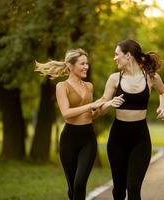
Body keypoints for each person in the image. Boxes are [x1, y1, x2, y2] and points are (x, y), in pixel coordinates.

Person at [100, 39, 164, 200]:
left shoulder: (151, 77)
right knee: (119, 191)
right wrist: (109, 103)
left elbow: (163, 92)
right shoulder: (114, 79)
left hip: (140, 140)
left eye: (117, 54)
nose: (114, 58)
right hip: (117, 139)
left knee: (133, 189)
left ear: (128, 55)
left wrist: (162, 107)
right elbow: (101, 107)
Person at [35, 48, 104, 200]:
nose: (86, 66)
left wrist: (105, 106)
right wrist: (90, 106)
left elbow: (91, 115)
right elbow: (66, 113)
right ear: (70, 66)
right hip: (69, 140)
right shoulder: (62, 86)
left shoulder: (89, 86)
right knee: (73, 187)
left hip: (88, 139)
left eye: (87, 63)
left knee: (80, 183)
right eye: (82, 63)